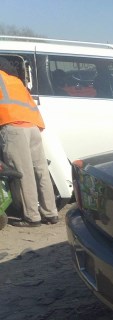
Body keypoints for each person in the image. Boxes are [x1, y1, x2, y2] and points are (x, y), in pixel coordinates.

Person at [0, 57, 58, 227]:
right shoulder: (15, 81)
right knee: (41, 171)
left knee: (23, 172)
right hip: (33, 126)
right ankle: (50, 213)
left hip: (14, 127)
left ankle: (32, 217)